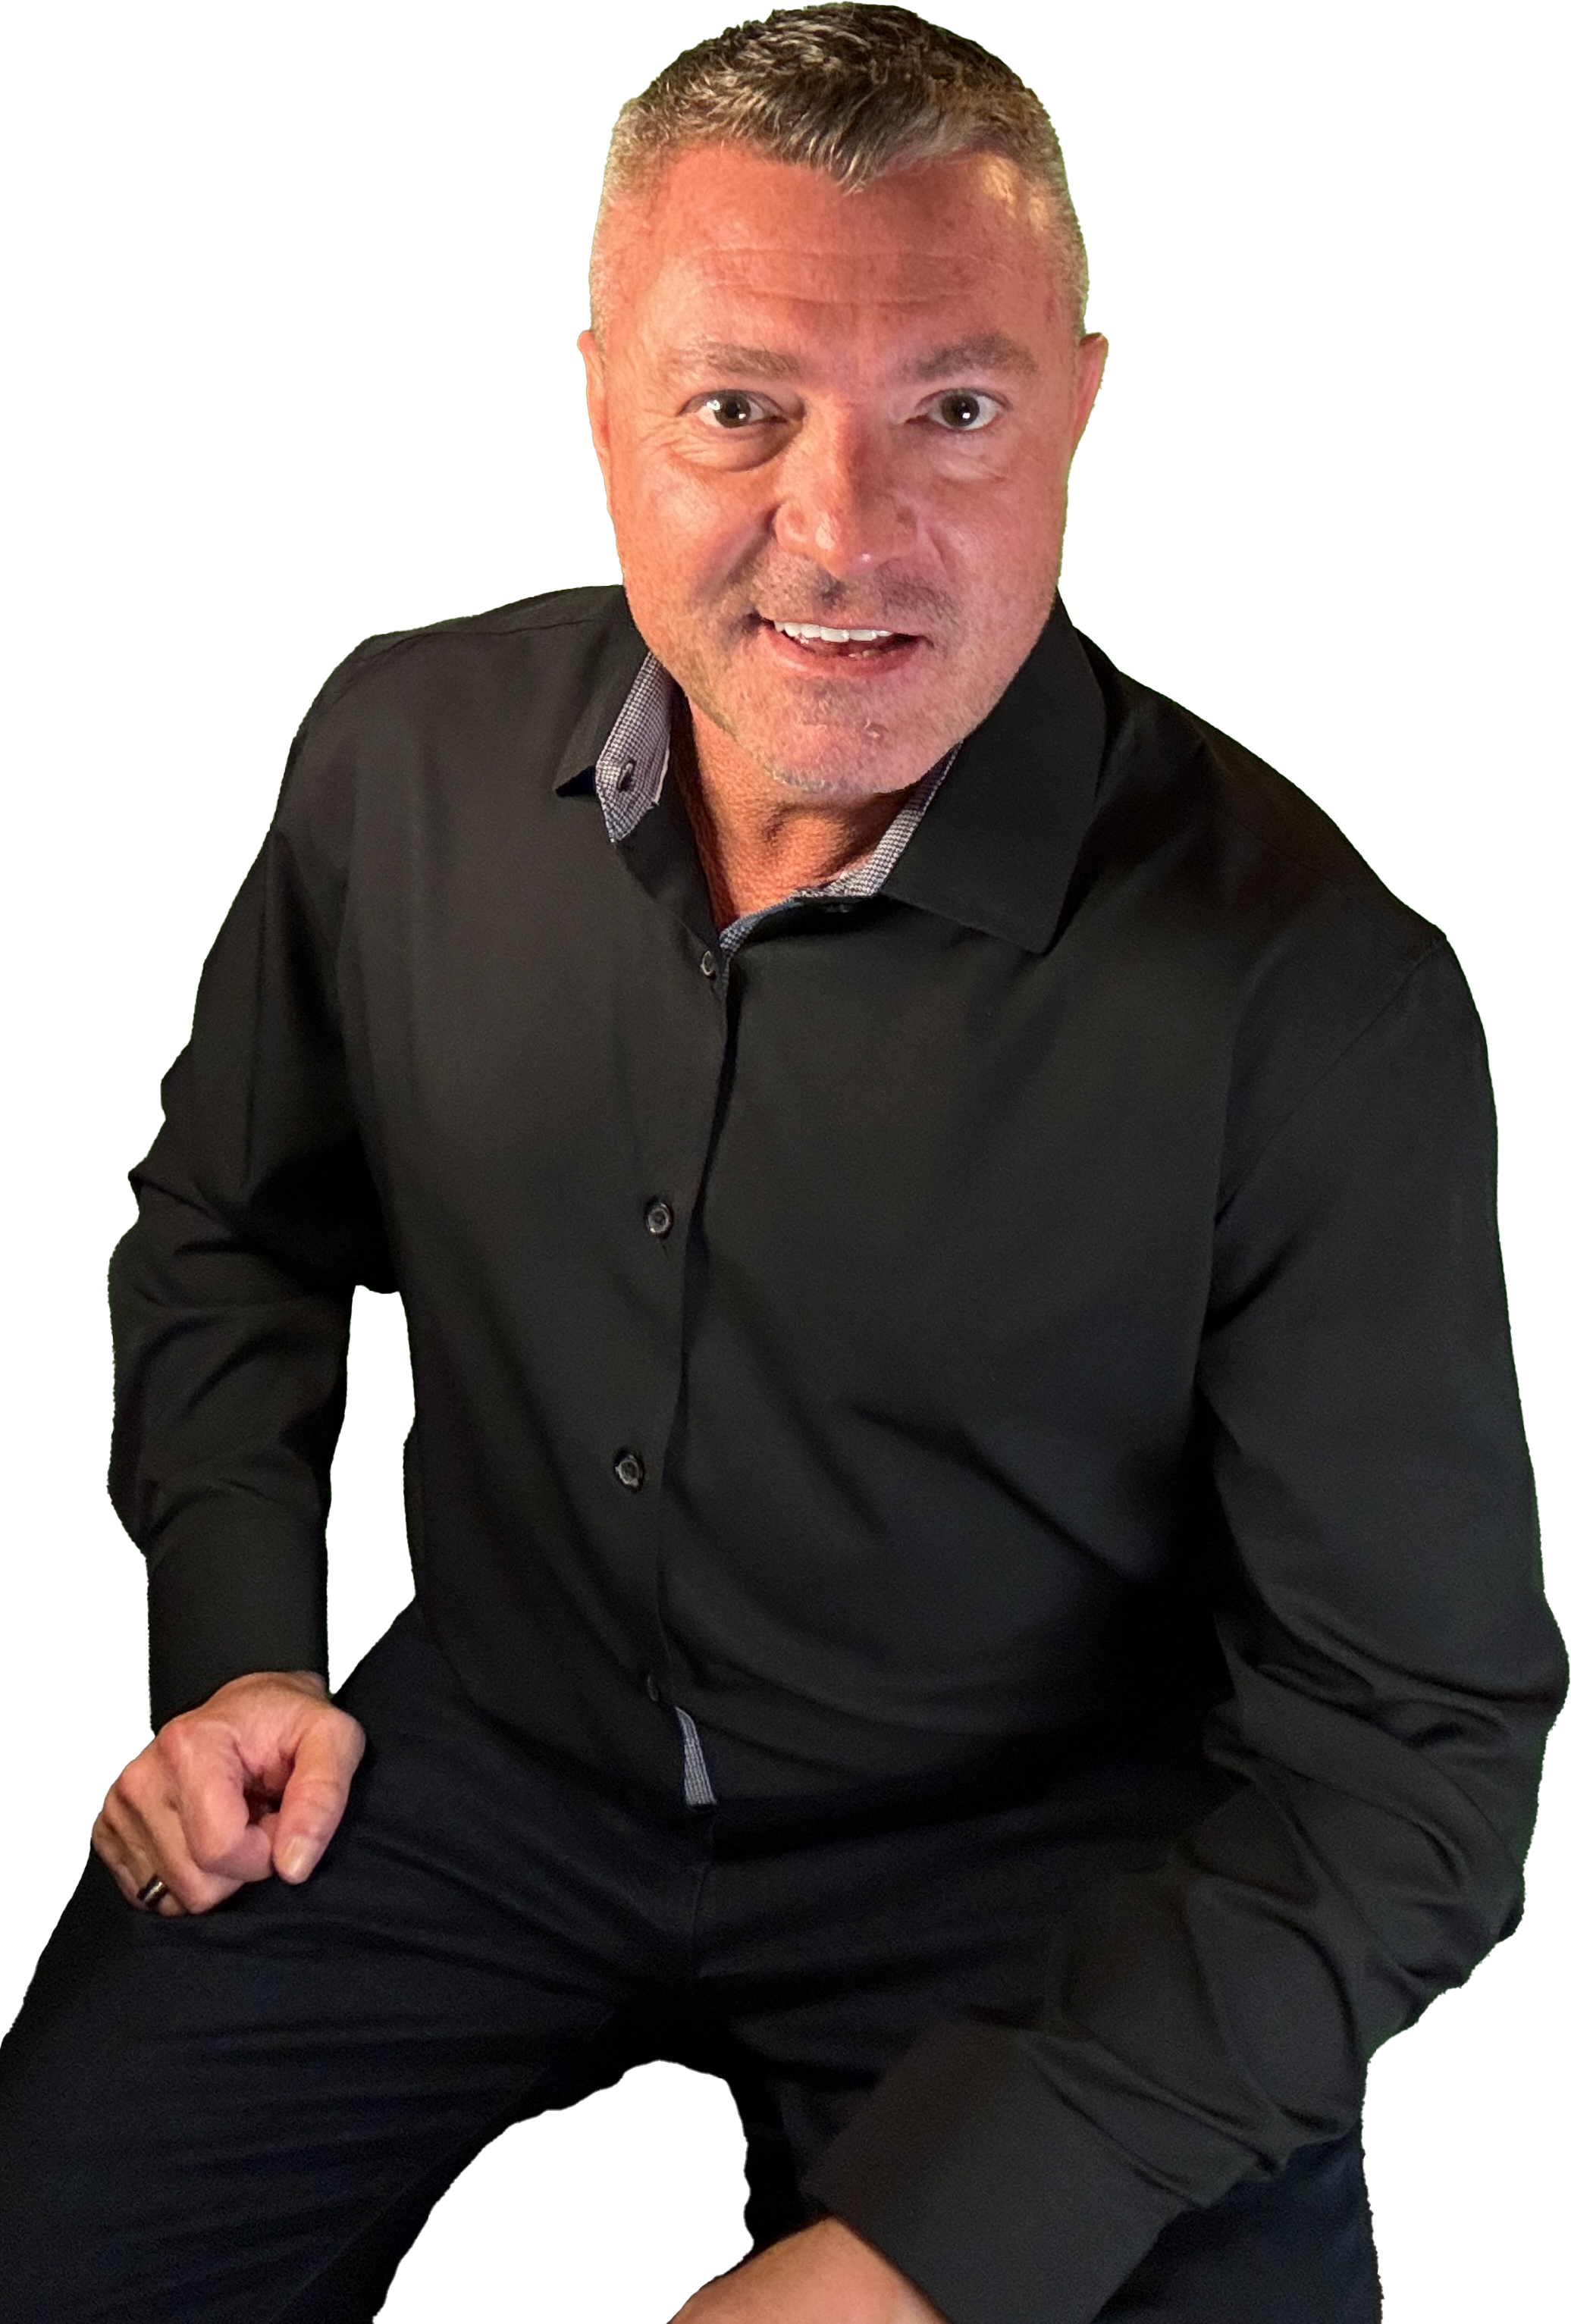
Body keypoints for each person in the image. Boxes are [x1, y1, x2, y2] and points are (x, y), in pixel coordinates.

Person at [0, 8, 1562, 2322]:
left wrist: (927, 2256)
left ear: (1076, 405)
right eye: (739, 408)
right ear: (604, 404)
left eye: (956, 410)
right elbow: (233, 1230)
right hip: (481, 1787)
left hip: (1036, 1892)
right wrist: (239, 1648)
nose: (843, 533)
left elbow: (1412, 1764)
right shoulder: (393, 755)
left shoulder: (1317, 993)